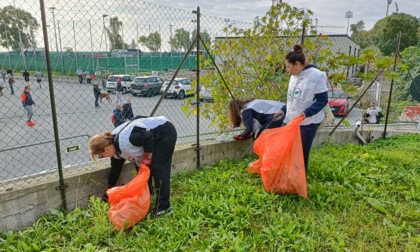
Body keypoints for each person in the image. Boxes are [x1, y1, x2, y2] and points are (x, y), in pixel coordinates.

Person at [88, 116, 177, 217]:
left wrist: (148, 156)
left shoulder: (127, 141)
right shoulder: (114, 147)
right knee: (141, 170)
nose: (102, 157)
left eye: (101, 155)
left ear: (107, 149)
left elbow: (148, 137)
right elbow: (115, 170)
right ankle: (148, 196)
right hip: (149, 137)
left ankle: (163, 208)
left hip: (164, 131)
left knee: (158, 169)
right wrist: (109, 188)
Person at [274, 44, 328, 175]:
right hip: (291, 119)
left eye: (288, 66)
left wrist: (306, 113)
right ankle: (285, 173)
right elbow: (294, 99)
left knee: (302, 152)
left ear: (297, 64)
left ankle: (300, 179)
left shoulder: (316, 76)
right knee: (283, 146)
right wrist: (283, 109)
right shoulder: (294, 76)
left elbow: (322, 100)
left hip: (307, 122)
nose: (287, 70)